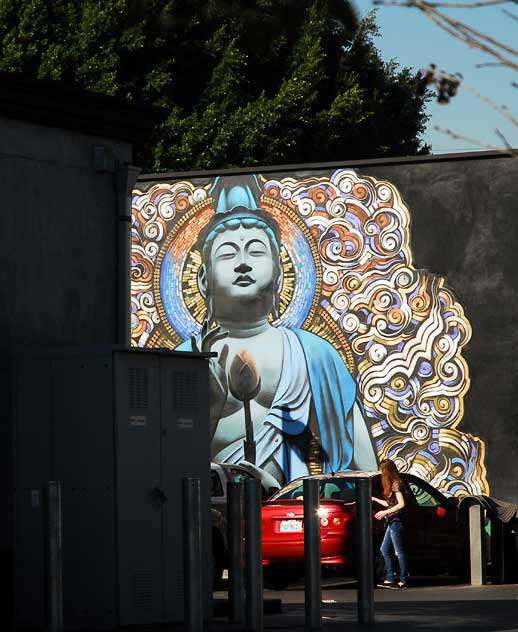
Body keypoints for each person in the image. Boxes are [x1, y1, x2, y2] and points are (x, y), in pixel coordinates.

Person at [178, 178, 378, 484]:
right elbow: (159, 452)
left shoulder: (314, 355)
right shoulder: (180, 361)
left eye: (256, 252)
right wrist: (211, 407)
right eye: (228, 254)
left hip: (297, 510)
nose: (242, 264)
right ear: (204, 280)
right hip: (210, 508)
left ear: (281, 275)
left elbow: (364, 463)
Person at [372, 458, 409, 589]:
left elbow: (401, 504)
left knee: (399, 551)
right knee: (384, 549)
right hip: (392, 522)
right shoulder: (393, 483)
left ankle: (403, 580)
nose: (381, 473)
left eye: (382, 470)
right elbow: (391, 504)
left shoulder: (396, 484)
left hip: (396, 522)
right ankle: (389, 577)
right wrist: (375, 499)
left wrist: (384, 513)